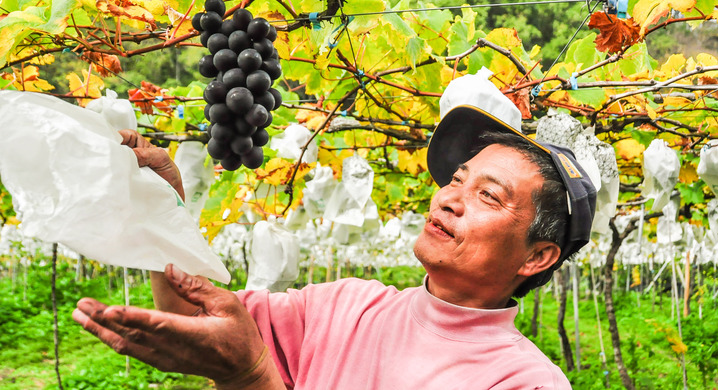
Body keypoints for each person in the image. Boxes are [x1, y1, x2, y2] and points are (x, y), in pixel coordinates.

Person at [73, 84, 597, 389]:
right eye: (457, 179)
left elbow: (243, 361)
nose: (448, 198)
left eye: (488, 195)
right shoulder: (347, 305)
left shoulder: (523, 382)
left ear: (538, 255)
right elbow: (198, 321)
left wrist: (254, 378)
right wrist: (163, 206)